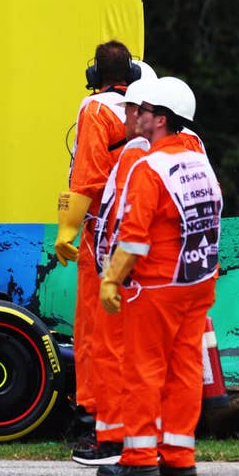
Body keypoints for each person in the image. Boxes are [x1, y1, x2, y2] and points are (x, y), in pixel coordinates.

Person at [96, 76, 220, 476]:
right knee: (185, 368)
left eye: (143, 110)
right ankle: (180, 455)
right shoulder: (198, 160)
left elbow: (133, 239)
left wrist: (111, 279)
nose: (137, 115)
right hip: (198, 282)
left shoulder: (150, 167)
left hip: (158, 286)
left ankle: (139, 458)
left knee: (143, 369)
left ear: (161, 120)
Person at [54, 40, 137, 452]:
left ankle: (95, 415)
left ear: (93, 77)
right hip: (138, 231)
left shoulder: (94, 110)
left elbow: (85, 177)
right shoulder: (145, 110)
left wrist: (66, 228)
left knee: (94, 330)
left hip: (102, 233)